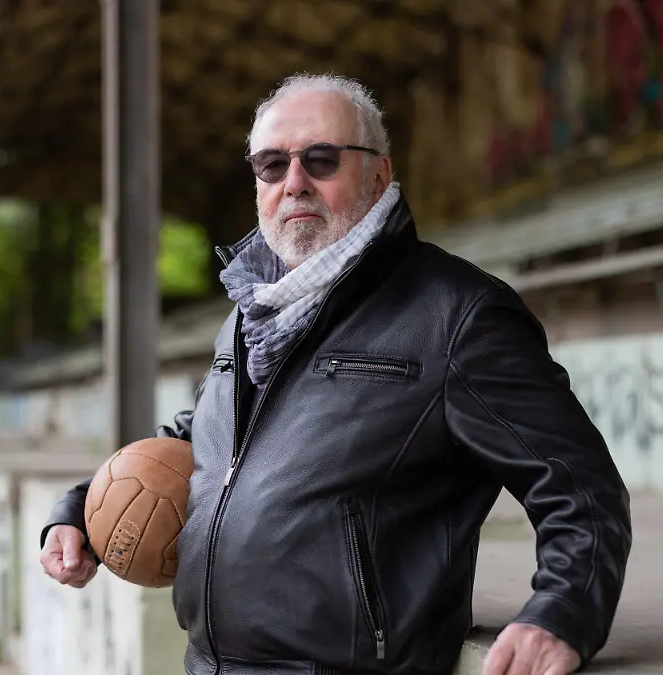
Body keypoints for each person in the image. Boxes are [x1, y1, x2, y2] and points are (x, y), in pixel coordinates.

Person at [40, 73, 633, 675]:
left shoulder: (457, 314)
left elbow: (580, 486)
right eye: (272, 165)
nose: (294, 181)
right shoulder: (251, 309)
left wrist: (563, 613)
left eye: (321, 159)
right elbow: (208, 440)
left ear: (379, 174)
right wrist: (83, 511)